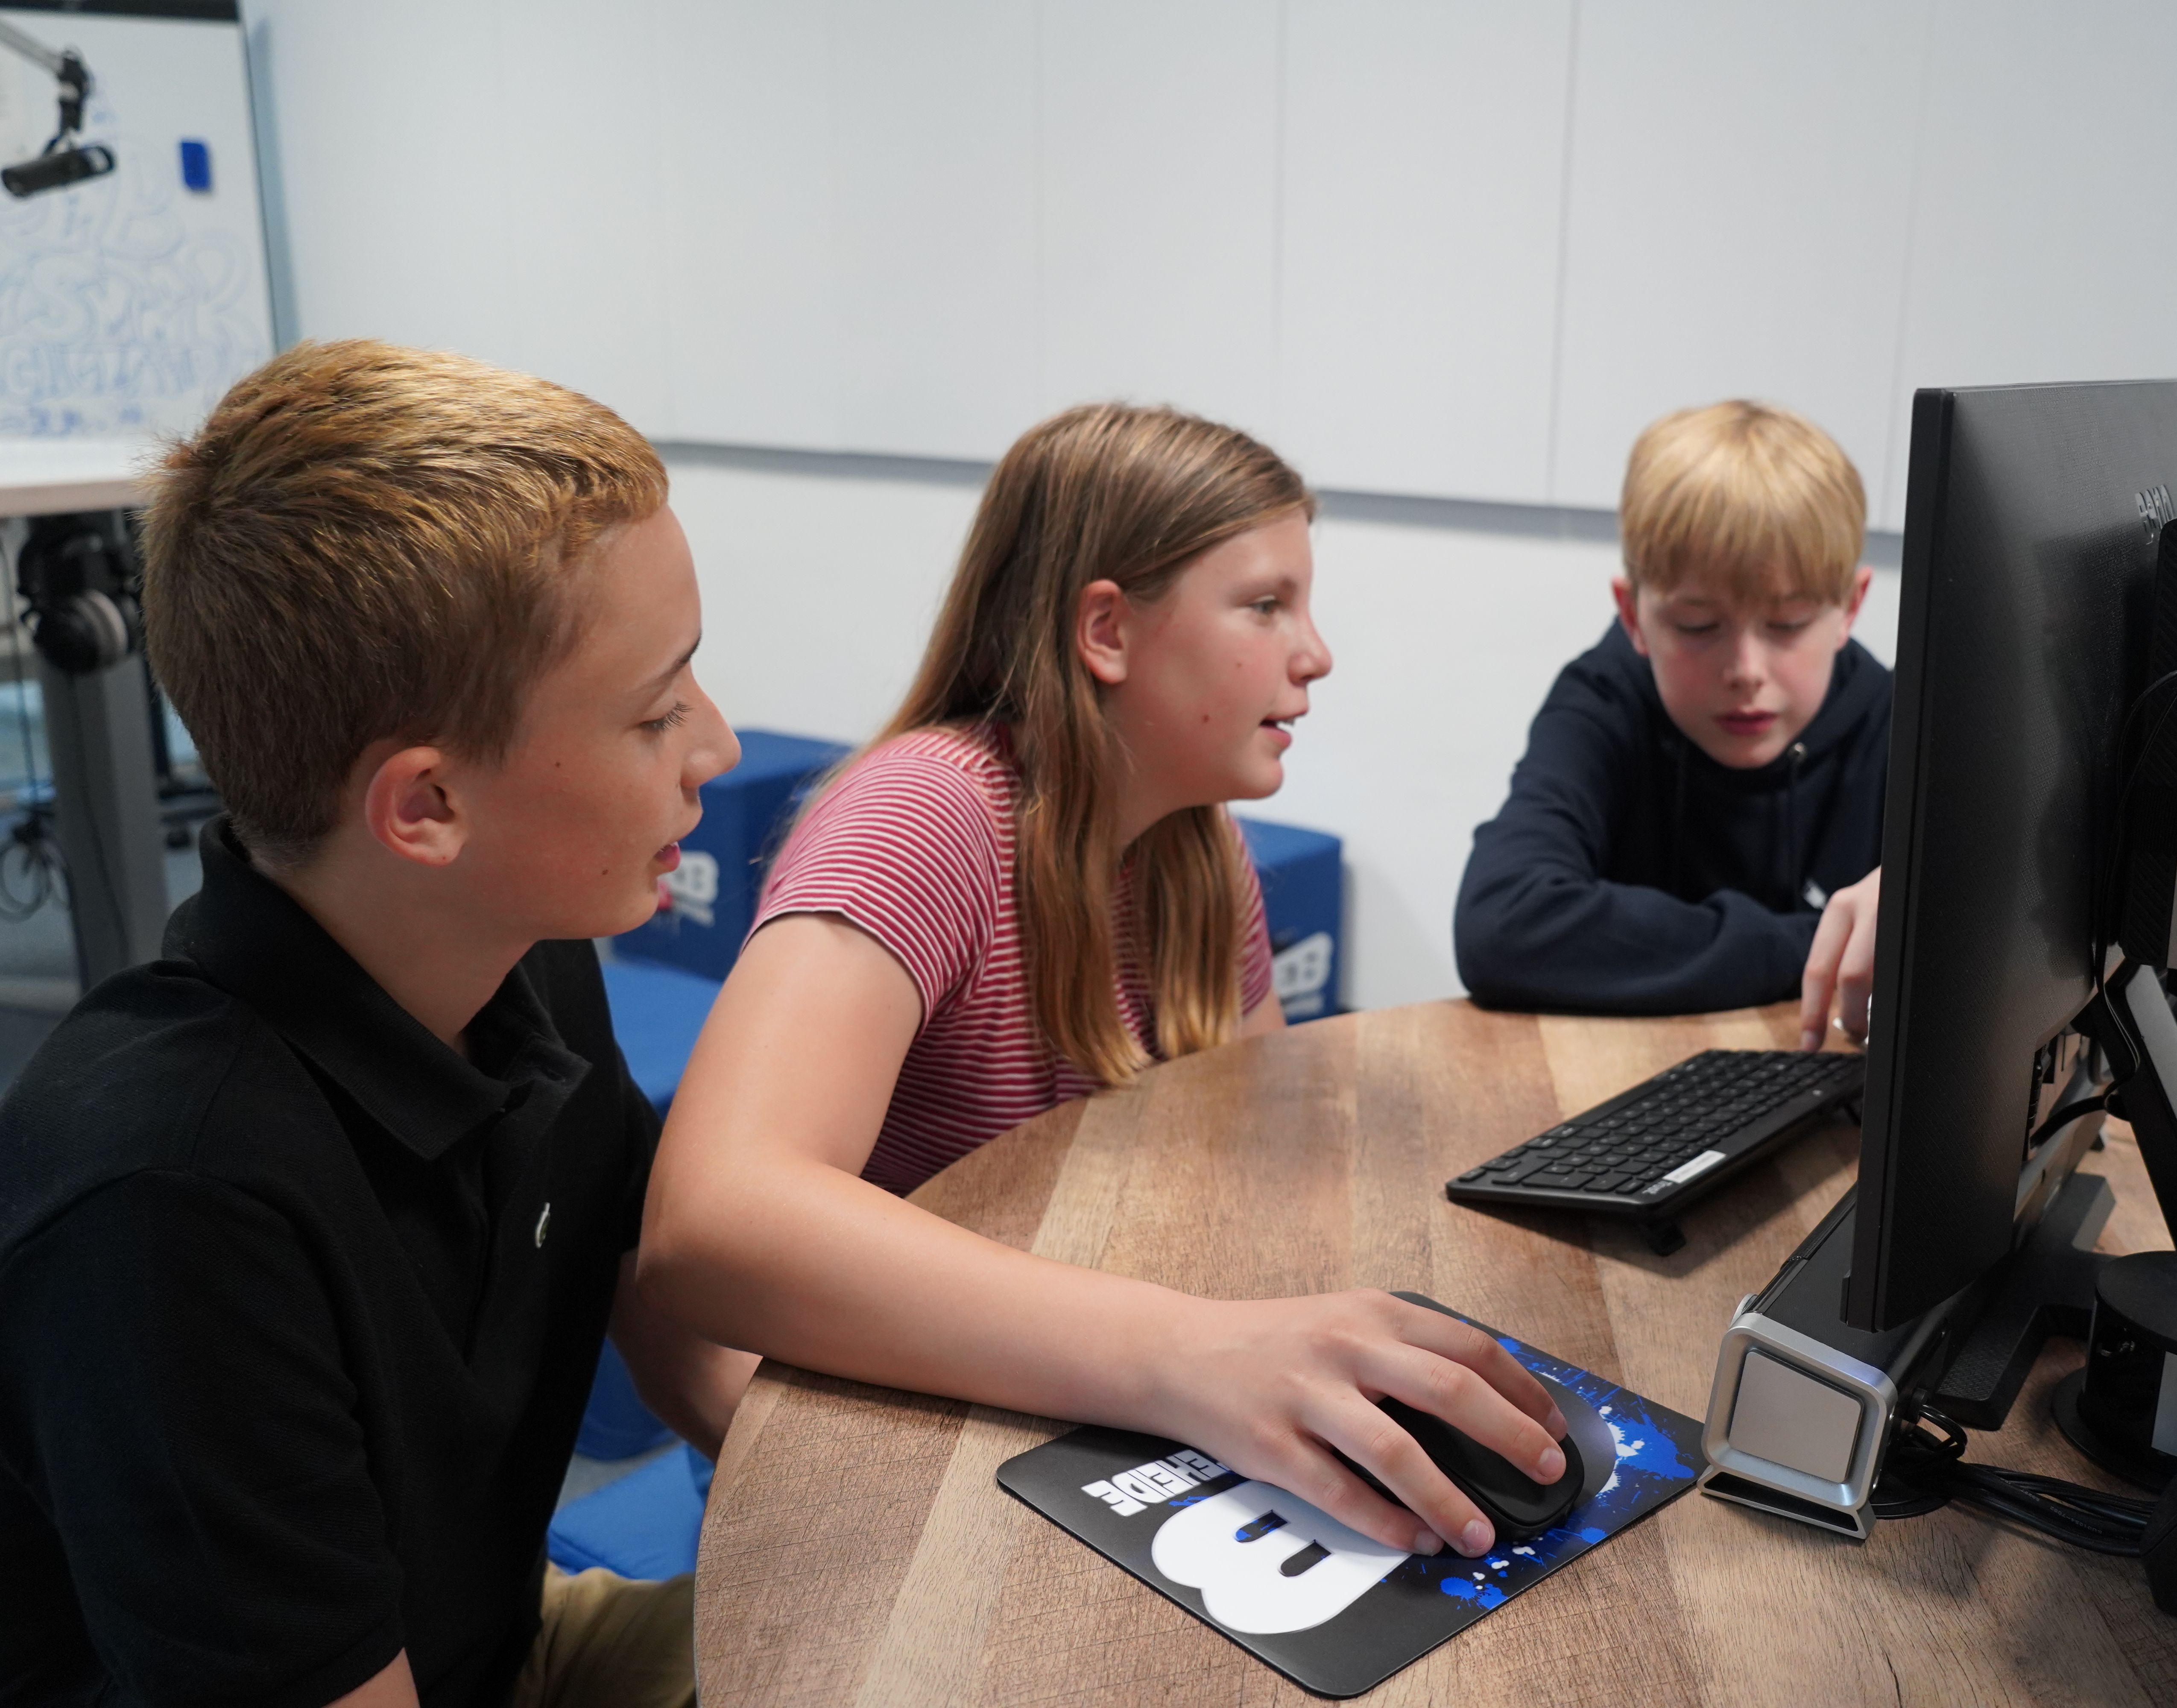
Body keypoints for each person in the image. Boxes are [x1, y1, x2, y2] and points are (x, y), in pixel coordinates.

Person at [640, 404, 1570, 1564]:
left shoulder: (1198, 847)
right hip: (884, 1428)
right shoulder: (922, 810)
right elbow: (711, 1222)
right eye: (1266, 604)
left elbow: (1257, 1159)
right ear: (1108, 631)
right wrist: (1182, 1353)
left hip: (1075, 1393)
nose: (1316, 652)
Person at [0, 341, 760, 1708]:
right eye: (657, 714)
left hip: (494, 1647)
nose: (719, 748)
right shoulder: (171, 1205)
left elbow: (664, 1307)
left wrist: (890, 1509)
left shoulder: (524, 956)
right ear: (427, 809)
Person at [1452, 399, 1890, 1048]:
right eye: (1698, 626)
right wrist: (1825, 940)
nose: (1746, 671)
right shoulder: (1604, 701)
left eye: (1788, 624)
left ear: (1850, 607)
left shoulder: (1902, 723)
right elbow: (1501, 924)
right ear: (1632, 615)